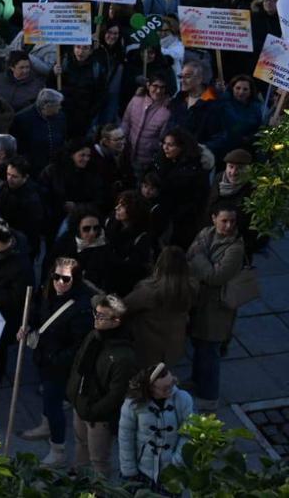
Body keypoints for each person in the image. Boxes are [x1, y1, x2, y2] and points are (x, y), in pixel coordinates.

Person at [17, 257, 94, 466]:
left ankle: (58, 450)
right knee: (49, 402)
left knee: (54, 403)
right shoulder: (48, 292)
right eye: (56, 277)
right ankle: (46, 425)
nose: (60, 282)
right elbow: (38, 315)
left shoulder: (82, 308)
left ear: (75, 279)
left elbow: (78, 347)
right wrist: (28, 327)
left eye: (66, 279)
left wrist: (54, 358)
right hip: (45, 356)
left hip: (60, 365)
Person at [66, 293, 138, 478]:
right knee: (80, 445)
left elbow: (116, 394)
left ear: (116, 321)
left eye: (102, 316)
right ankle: (78, 480)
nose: (96, 319)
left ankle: (99, 490)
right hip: (82, 403)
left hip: (99, 417)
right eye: (95, 314)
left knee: (99, 460)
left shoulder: (123, 356)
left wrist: (93, 410)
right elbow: (78, 365)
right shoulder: (94, 336)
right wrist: (73, 394)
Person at [186, 207, 245, 412]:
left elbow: (215, 277)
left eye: (232, 222)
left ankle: (209, 397)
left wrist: (200, 259)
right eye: (224, 221)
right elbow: (190, 255)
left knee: (210, 352)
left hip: (217, 308)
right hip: (199, 302)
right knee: (199, 347)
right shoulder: (206, 233)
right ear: (214, 219)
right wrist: (206, 264)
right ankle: (196, 381)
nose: (228, 226)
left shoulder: (235, 248)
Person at [118, 363, 193, 492]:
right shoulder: (133, 404)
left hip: (172, 473)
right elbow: (125, 437)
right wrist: (129, 470)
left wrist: (177, 462)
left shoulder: (182, 399)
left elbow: (189, 433)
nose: (171, 389)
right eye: (165, 388)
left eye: (172, 384)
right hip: (142, 471)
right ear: (151, 388)